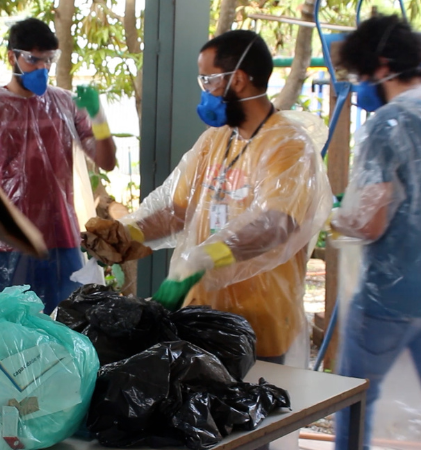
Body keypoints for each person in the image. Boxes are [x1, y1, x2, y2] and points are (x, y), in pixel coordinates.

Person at [84, 30, 331, 368]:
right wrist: (126, 236)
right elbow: (177, 212)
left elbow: (277, 223)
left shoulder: (288, 146)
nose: (204, 91)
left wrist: (203, 257)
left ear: (239, 80)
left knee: (259, 416)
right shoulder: (215, 140)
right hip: (200, 314)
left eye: (208, 80)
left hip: (260, 323)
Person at [331, 15, 421, 450]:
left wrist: (336, 216)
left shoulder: (387, 124)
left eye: (360, 76)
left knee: (354, 404)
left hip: (389, 301)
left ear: (380, 66)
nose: (360, 88)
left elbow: (370, 223)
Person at [0, 18, 117, 313]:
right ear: (11, 56)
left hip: (62, 241)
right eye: (33, 59)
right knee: (11, 335)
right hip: (8, 243)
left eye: (49, 60)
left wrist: (99, 118)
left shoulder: (66, 105)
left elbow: (106, 162)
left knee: (65, 329)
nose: (42, 68)